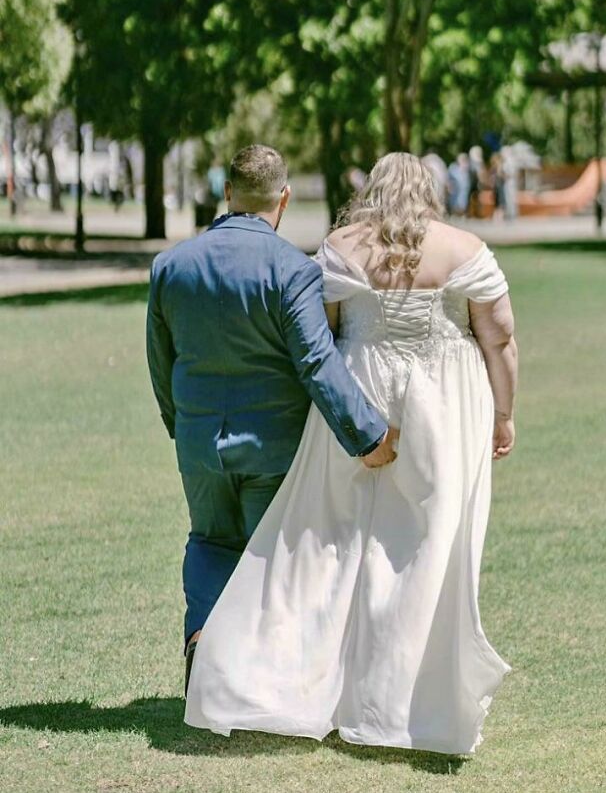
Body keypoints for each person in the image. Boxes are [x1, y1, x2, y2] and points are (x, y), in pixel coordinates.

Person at [185, 152, 518, 756]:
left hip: (359, 402)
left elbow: (327, 333)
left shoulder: (341, 246)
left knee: (338, 544)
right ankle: (410, 703)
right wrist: (503, 412)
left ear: (371, 189)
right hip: (445, 407)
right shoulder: (466, 249)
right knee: (424, 548)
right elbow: (500, 338)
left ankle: (314, 685)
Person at [146, 145, 395, 694]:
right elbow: (316, 363)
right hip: (271, 443)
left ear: (227, 194)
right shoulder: (293, 271)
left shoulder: (171, 266)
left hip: (197, 440)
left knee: (211, 541)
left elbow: (160, 362)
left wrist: (179, 423)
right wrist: (368, 436)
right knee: (271, 554)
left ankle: (202, 637)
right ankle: (261, 684)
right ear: (283, 199)